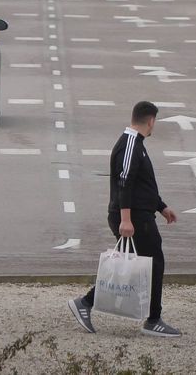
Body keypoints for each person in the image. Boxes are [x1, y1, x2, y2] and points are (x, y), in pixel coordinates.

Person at [68, 101, 181, 339]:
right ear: (150, 121)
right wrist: (126, 219)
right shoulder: (131, 143)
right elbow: (125, 181)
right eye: (154, 123)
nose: (154, 127)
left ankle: (86, 303)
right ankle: (153, 319)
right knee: (154, 263)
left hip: (140, 215)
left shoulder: (136, 144)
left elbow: (142, 184)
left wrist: (161, 207)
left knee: (134, 266)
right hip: (134, 218)